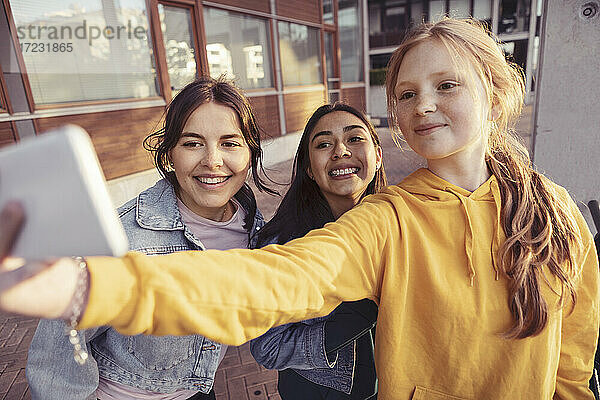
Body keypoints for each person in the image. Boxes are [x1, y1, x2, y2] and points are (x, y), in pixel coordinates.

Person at [1, 18, 599, 399]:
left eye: (448, 85)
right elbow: (267, 282)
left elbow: (574, 357)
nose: (425, 106)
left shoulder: (557, 212)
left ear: (495, 95)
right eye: (408, 93)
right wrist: (81, 285)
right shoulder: (386, 222)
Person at [25, 76, 275, 400]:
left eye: (229, 143)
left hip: (199, 389)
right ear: (170, 153)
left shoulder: (259, 233)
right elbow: (58, 352)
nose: (212, 160)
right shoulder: (118, 238)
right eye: (192, 143)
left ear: (250, 153)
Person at [250, 103, 385, 399]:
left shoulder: (398, 226)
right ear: (310, 169)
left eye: (354, 139)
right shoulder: (283, 245)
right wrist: (350, 320)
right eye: (324, 144)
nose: (340, 151)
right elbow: (267, 347)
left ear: (377, 155)